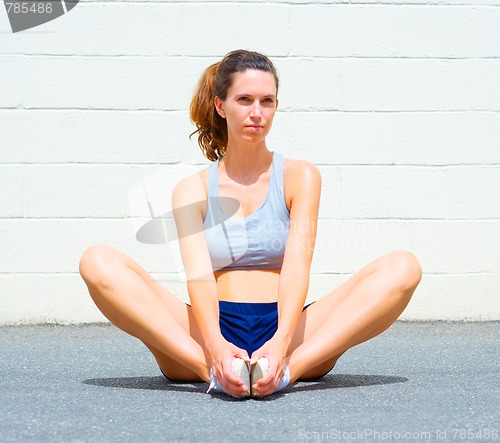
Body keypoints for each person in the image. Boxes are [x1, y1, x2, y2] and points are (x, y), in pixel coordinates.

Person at [79, 49, 422, 398]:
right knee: (97, 261)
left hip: (290, 332)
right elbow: (198, 278)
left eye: (267, 101)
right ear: (220, 105)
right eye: (244, 100)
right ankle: (212, 373)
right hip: (206, 332)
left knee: (403, 268)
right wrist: (214, 347)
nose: (257, 113)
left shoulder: (299, 176)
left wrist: (281, 341)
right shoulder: (190, 189)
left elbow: (297, 268)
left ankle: (288, 371)